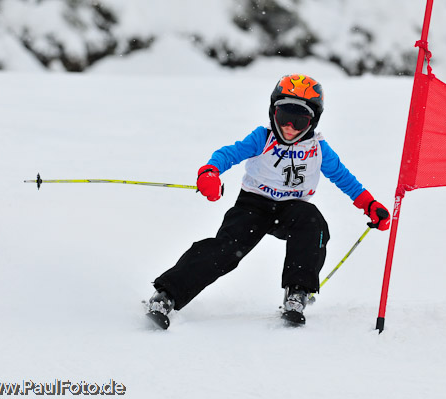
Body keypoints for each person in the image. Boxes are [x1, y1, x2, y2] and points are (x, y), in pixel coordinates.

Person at [146, 74, 390, 329]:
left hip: (292, 210)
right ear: (273, 111)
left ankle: (298, 292)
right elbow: (228, 153)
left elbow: (342, 177)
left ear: (313, 120)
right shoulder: (262, 138)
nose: (290, 127)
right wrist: (210, 171)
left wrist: (369, 204)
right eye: (284, 117)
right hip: (253, 205)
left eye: (300, 120)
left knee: (313, 222)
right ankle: (167, 295)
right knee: (226, 251)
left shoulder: (319, 149)